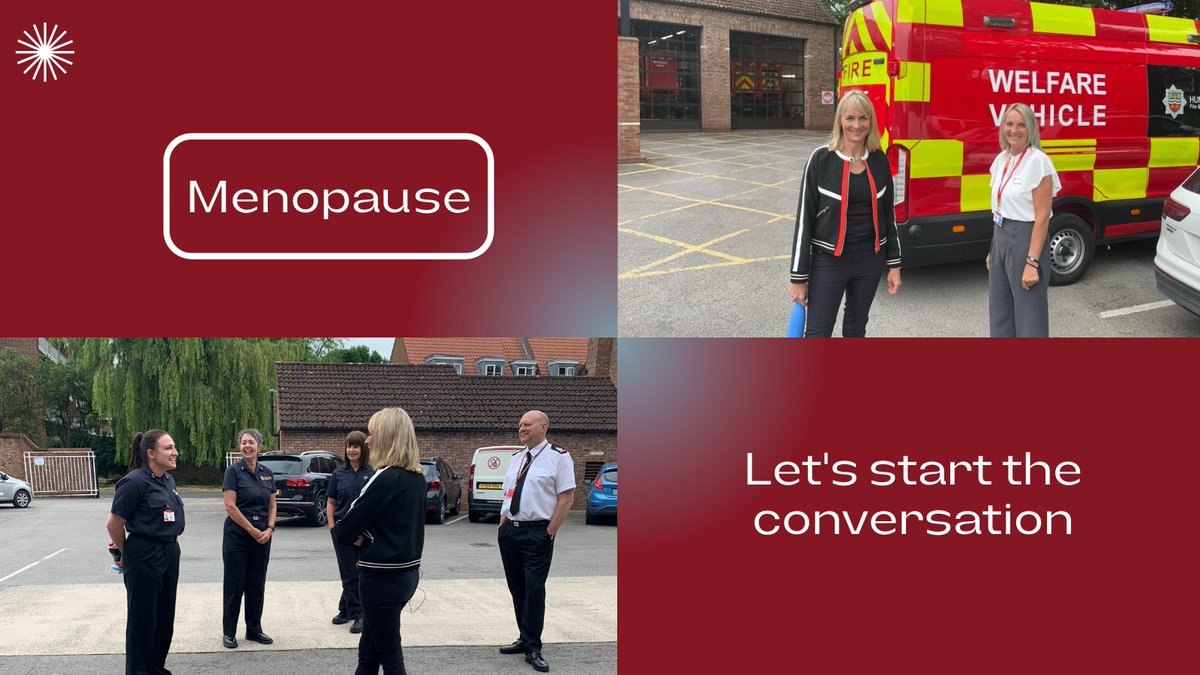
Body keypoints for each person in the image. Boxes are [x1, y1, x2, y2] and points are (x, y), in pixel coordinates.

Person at [788, 90, 901, 337]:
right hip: (829, 260)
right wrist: (798, 277)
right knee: (818, 332)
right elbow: (804, 221)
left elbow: (887, 215)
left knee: (855, 328)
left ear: (871, 122)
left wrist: (894, 265)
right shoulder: (820, 160)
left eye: (863, 118)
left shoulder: (880, 160)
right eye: (850, 118)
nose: (857, 125)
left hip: (870, 260)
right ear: (840, 120)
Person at [333, 408, 425, 674]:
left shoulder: (384, 478)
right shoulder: (416, 477)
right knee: (369, 652)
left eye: (372, 434)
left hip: (380, 579)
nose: (368, 441)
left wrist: (361, 536)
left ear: (386, 437)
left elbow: (344, 530)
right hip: (407, 575)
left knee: (390, 656)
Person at [497, 410, 576, 673]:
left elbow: (566, 498)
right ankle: (523, 637)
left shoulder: (558, 457)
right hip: (511, 532)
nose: (521, 428)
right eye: (520, 424)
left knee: (534, 588)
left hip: (537, 533)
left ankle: (533, 645)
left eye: (527, 424)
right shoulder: (517, 458)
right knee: (517, 587)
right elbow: (510, 492)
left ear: (543, 427)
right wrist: (503, 522)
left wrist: (550, 531)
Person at [106, 429, 185, 675]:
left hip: (170, 551)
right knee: (143, 618)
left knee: (164, 616)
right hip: (143, 553)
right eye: (168, 448)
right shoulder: (134, 482)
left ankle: (155, 667)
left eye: (174, 447)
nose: (175, 452)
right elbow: (114, 524)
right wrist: (126, 553)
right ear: (151, 454)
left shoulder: (167, 480)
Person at [987, 102, 1061, 337]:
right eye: (1009, 124)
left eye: (1021, 125)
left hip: (1025, 241)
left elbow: (1041, 219)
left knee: (1029, 317)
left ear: (1031, 129)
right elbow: (1000, 208)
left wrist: (1032, 263)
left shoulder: (1038, 162)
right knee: (1000, 311)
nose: (1014, 130)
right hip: (1001, 237)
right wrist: (993, 248)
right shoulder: (1001, 159)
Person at [220, 428, 277, 649]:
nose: (246, 446)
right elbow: (230, 506)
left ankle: (254, 629)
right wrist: (252, 530)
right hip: (238, 536)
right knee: (235, 585)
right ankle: (229, 632)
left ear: (258, 447)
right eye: (243, 442)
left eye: (250, 442)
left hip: (263, 536)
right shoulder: (233, 472)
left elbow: (273, 505)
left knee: (256, 584)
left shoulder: (267, 473)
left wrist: (270, 528)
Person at [327, 430, 375, 634]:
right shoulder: (338, 474)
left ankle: (357, 614)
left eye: (355, 446)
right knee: (348, 573)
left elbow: (374, 505)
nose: (351, 450)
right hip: (342, 531)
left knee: (359, 572)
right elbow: (331, 502)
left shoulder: (372, 473)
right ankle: (351, 611)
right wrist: (332, 527)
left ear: (363, 449)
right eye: (349, 446)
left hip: (364, 533)